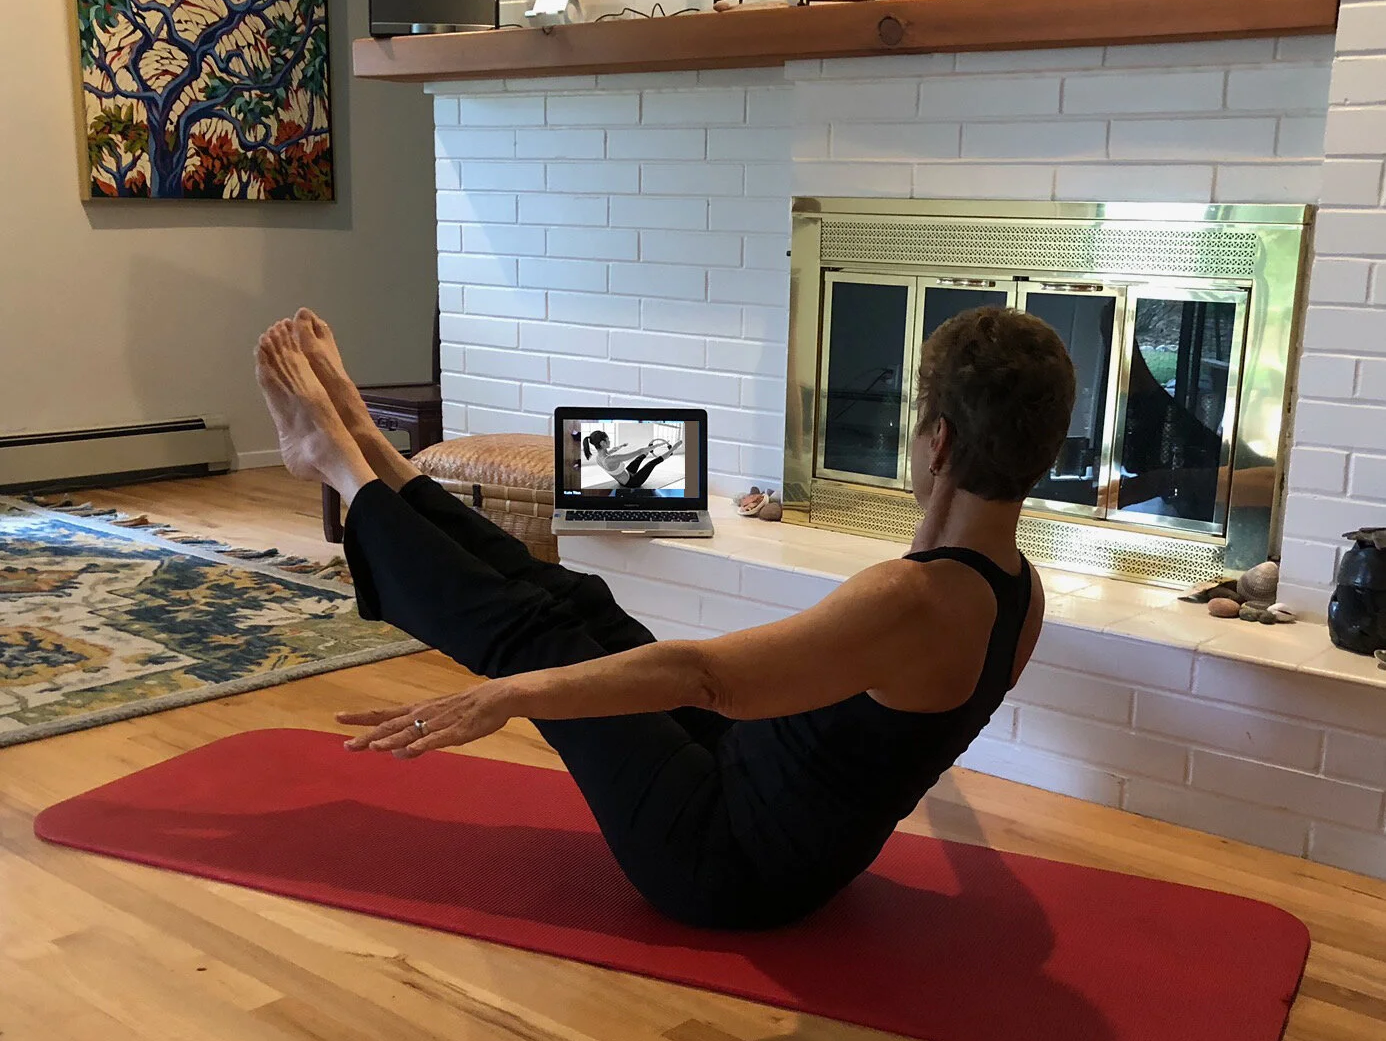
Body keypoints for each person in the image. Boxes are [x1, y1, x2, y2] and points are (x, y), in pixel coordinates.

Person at [255, 306, 1076, 930]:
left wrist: (504, 696)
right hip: (760, 800)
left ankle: (341, 466)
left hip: (722, 859)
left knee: (542, 642)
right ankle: (373, 452)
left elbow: (706, 678)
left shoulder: (911, 599)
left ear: (937, 443)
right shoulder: (1020, 594)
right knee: (581, 606)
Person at [582, 429, 683, 490]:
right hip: (632, 482)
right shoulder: (612, 459)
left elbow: (612, 450)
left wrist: (621, 446)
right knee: (651, 463)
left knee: (639, 459)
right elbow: (640, 451)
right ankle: (673, 449)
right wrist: (659, 445)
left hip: (624, 477)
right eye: (608, 440)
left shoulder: (599, 458)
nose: (610, 441)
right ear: (602, 443)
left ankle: (655, 451)